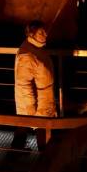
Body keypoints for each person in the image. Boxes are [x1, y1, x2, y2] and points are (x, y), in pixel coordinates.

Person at [13, 21, 55, 149]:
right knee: (41, 131)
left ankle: (16, 152)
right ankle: (44, 162)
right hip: (37, 104)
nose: (45, 35)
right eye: (41, 32)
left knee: (24, 128)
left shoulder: (36, 48)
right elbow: (24, 85)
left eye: (45, 31)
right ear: (32, 34)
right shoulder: (27, 55)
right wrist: (31, 111)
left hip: (43, 99)